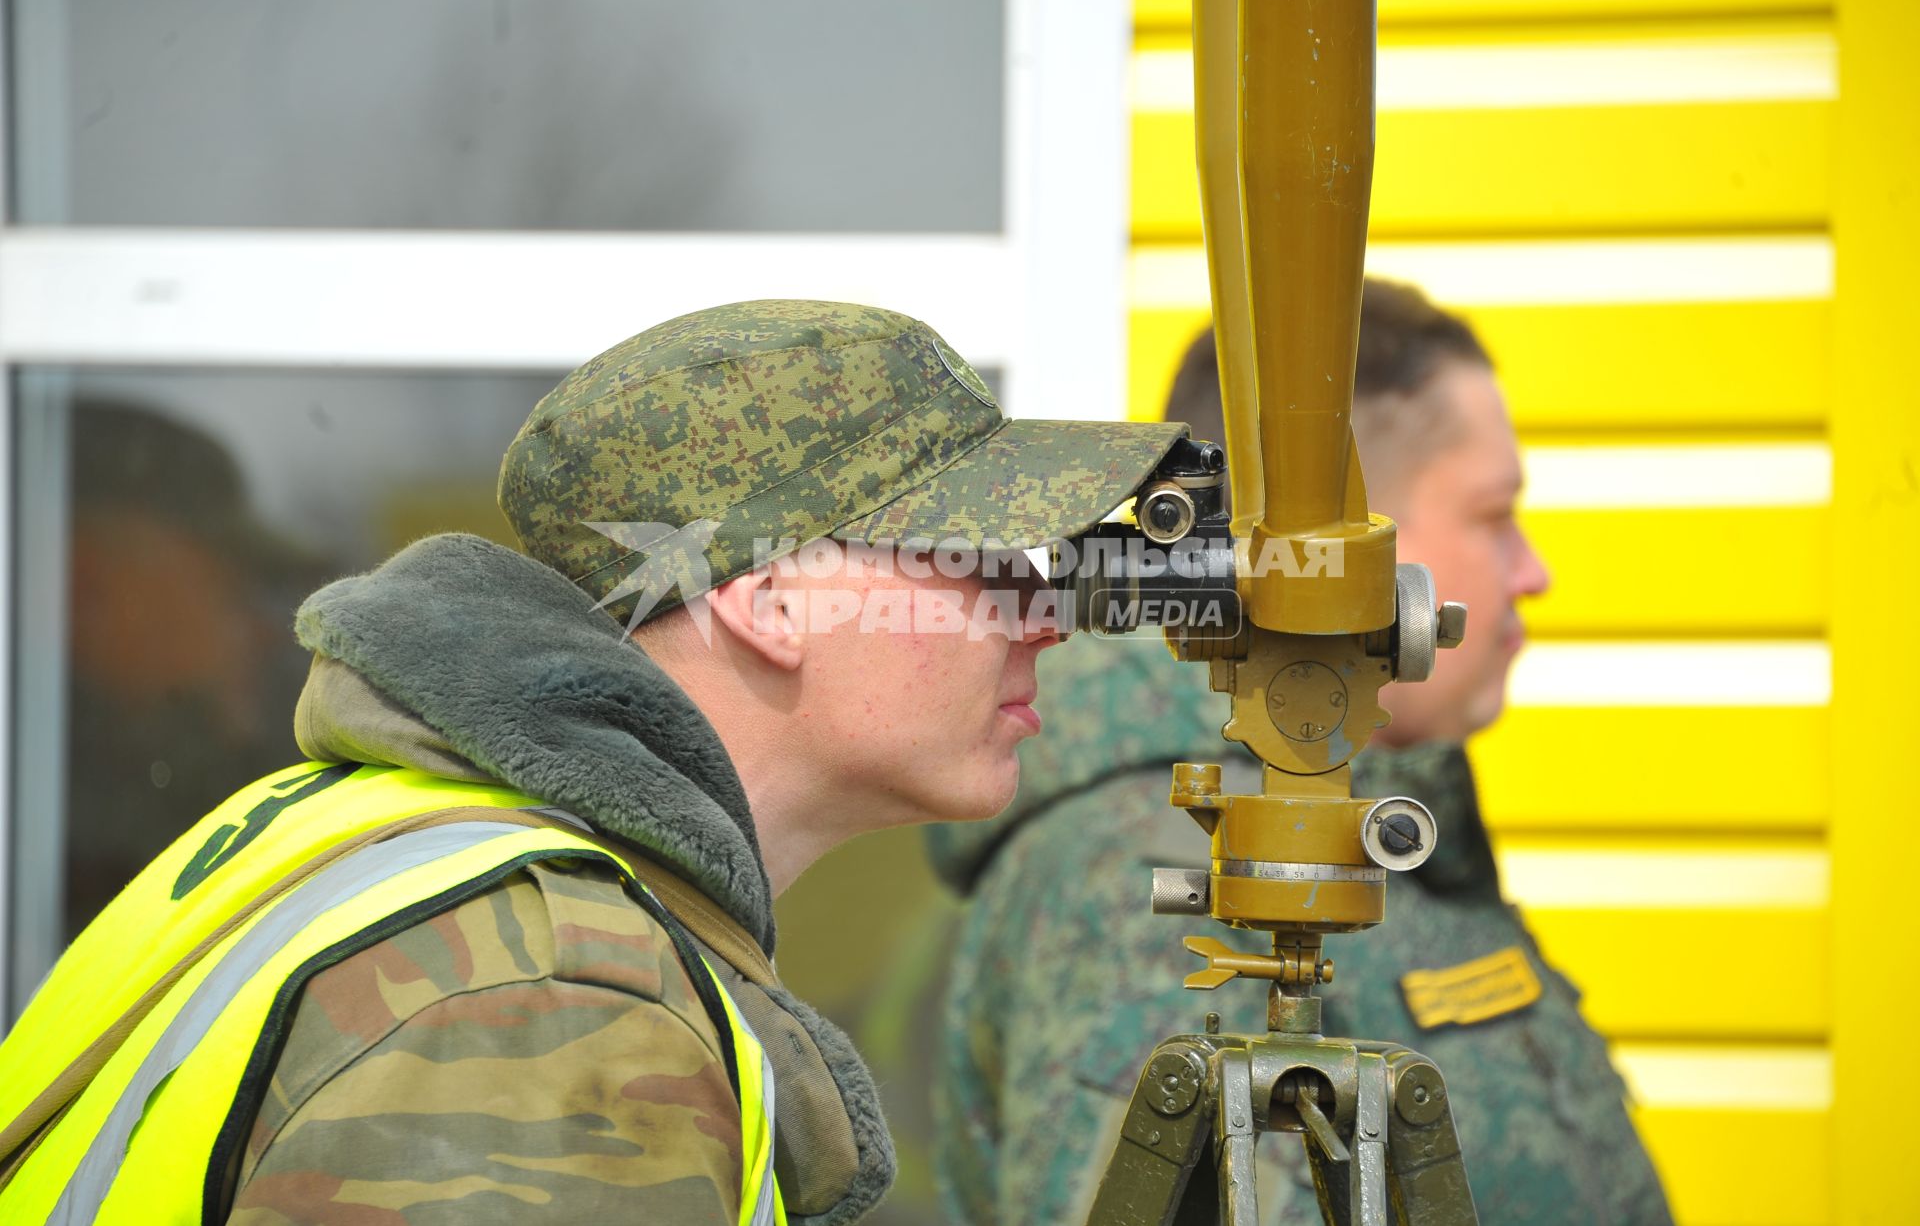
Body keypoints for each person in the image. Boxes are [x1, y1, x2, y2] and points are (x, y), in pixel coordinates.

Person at [0, 300, 1187, 1224]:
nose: (1044, 616)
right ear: (772, 599)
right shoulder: (544, 996)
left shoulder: (381, 840)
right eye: (983, 560)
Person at [929, 279, 1675, 1224]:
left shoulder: (1332, 812)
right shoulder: (1160, 866)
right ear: (1342, 541)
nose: (1534, 571)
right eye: (1494, 515)